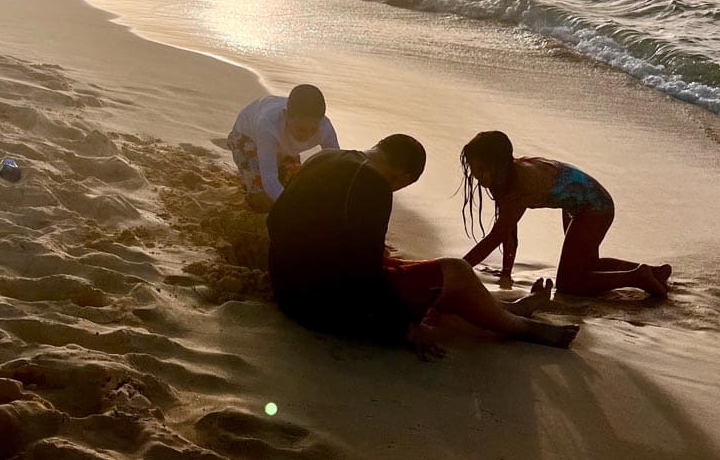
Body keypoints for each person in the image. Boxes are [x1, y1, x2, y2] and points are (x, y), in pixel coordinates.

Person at [266, 135, 580, 356]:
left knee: (399, 265)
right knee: (455, 271)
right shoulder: (372, 184)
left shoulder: (326, 158)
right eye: (403, 185)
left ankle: (505, 310)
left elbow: (275, 220)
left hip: (288, 287)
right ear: (402, 174)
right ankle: (523, 328)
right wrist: (402, 328)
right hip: (322, 305)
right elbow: (365, 274)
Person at [459, 130, 671, 296]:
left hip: (595, 206)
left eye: (480, 168)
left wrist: (458, 268)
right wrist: (506, 272)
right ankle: (654, 272)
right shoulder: (501, 178)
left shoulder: (519, 185)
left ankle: (637, 277)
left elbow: (495, 236)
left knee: (569, 284)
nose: (476, 176)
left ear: (498, 164)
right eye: (473, 169)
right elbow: (508, 230)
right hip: (575, 203)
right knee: (586, 266)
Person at [227, 85, 339, 212]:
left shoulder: (325, 128)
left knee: (298, 186)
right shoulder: (269, 125)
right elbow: (269, 178)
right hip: (247, 138)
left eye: (313, 129)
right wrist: (291, 208)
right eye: (301, 129)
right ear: (286, 116)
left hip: (283, 148)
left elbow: (338, 166)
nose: (307, 135)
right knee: (262, 198)